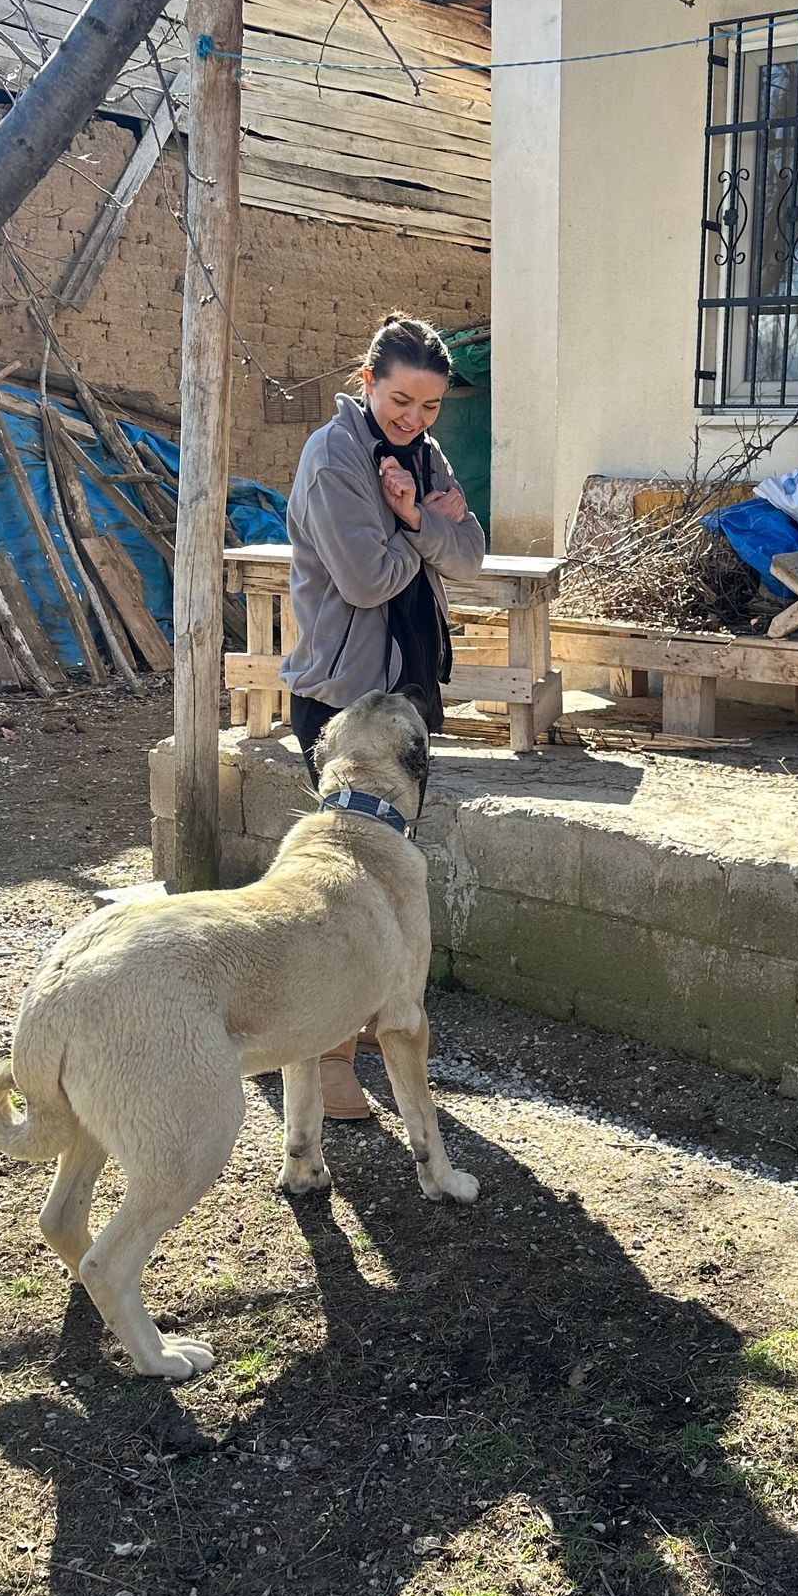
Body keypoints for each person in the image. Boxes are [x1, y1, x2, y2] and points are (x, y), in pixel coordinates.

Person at [282, 312, 486, 1117]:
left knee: (391, 874)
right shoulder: (332, 457)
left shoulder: (423, 455)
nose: (415, 419)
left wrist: (418, 523)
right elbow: (365, 580)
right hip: (343, 699)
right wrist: (425, 531)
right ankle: (325, 1061)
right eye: (401, 401)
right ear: (368, 382)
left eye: (430, 407)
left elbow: (471, 556)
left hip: (409, 698)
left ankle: (375, 1026)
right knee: (339, 888)